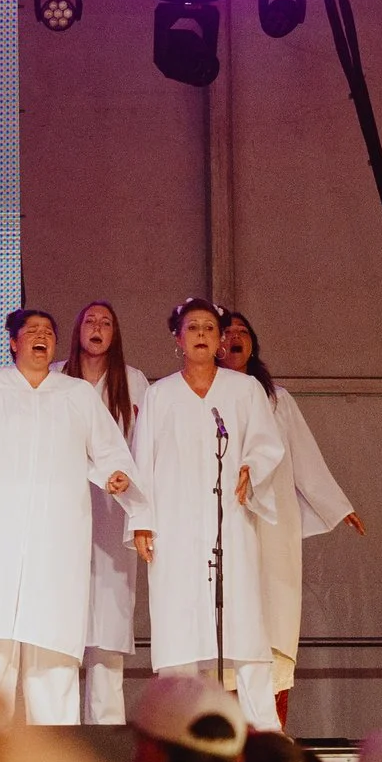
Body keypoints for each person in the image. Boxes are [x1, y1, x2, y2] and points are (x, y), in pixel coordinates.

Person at [0, 309, 135, 729]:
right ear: (14, 342)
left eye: (48, 332)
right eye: (32, 332)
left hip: (54, 539)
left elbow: (109, 449)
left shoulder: (76, 394)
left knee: (53, 650)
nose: (41, 337)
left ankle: (53, 755)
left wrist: (115, 474)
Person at [129, 299, 287, 733]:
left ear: (220, 339)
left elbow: (267, 444)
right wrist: (141, 520)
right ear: (177, 338)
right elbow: (142, 460)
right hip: (174, 525)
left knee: (244, 623)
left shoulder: (244, 390)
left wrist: (251, 468)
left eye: (209, 328)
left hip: (231, 519)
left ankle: (263, 726)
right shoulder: (159, 395)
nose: (200, 334)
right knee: (177, 623)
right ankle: (175, 725)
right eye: (191, 327)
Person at [221, 310, 365, 727]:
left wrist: (338, 504)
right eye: (226, 332)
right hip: (228, 519)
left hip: (273, 526)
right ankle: (226, 727)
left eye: (242, 333)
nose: (233, 339)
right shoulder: (206, 399)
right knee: (229, 615)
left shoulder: (277, 399)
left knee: (275, 616)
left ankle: (269, 728)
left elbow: (304, 456)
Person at [60, 301, 153, 725]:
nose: (97, 328)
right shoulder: (58, 378)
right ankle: (56, 728)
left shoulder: (133, 382)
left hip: (114, 509)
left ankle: (106, 729)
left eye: (107, 323)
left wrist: (137, 502)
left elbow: (145, 449)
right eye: (90, 321)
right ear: (78, 330)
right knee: (59, 620)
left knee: (109, 623)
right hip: (63, 510)